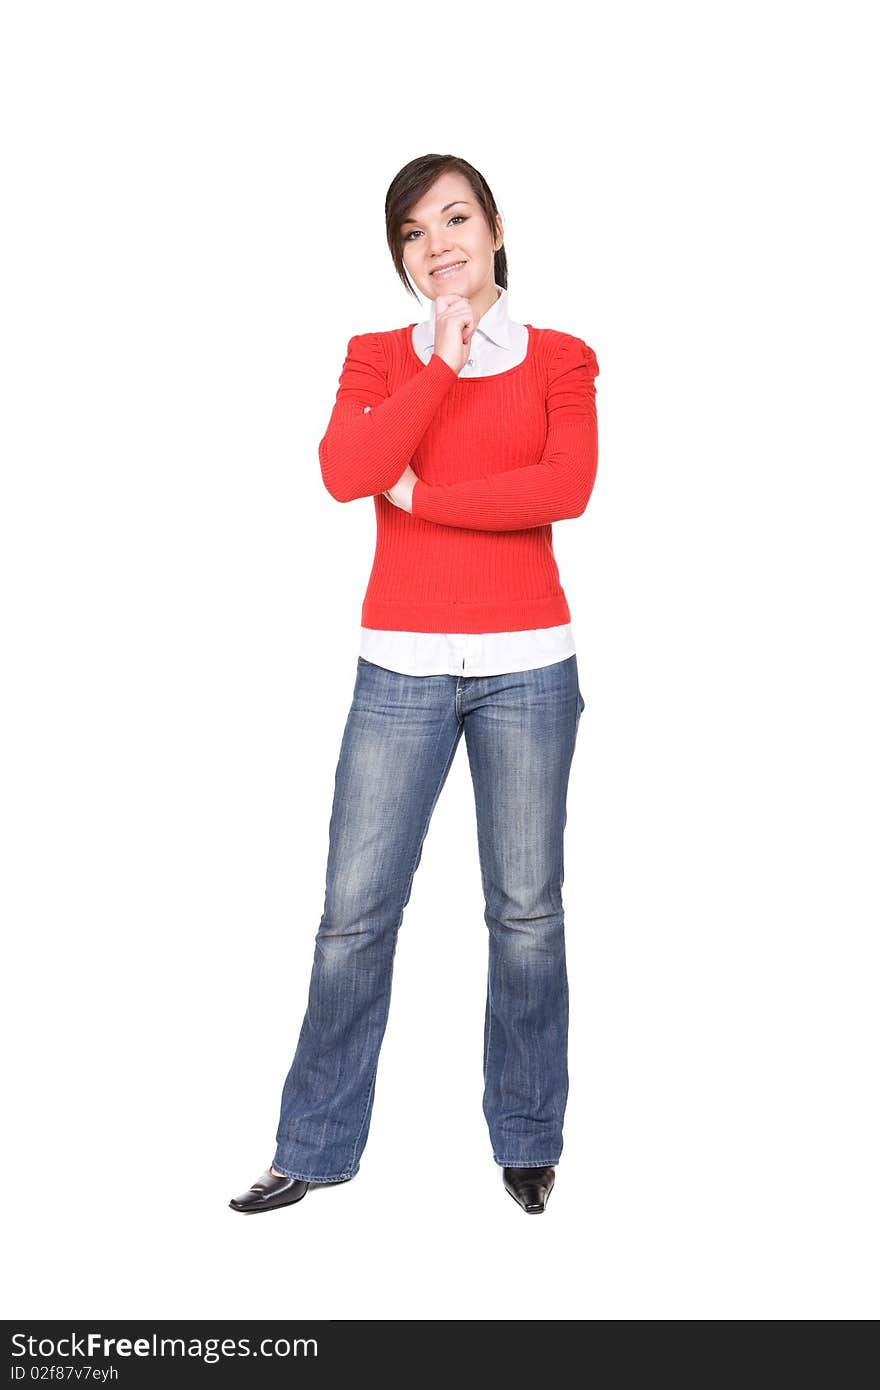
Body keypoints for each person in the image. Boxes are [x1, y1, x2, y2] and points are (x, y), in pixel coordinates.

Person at [230, 154, 599, 1217]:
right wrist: (435, 367)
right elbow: (345, 473)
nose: (437, 243)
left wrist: (420, 494)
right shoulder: (376, 357)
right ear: (398, 254)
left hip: (529, 662)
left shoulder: (561, 359)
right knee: (354, 913)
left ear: (492, 228)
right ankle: (312, 1146)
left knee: (525, 912)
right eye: (412, 231)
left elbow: (562, 489)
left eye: (455, 218)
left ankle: (527, 1139)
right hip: (399, 663)